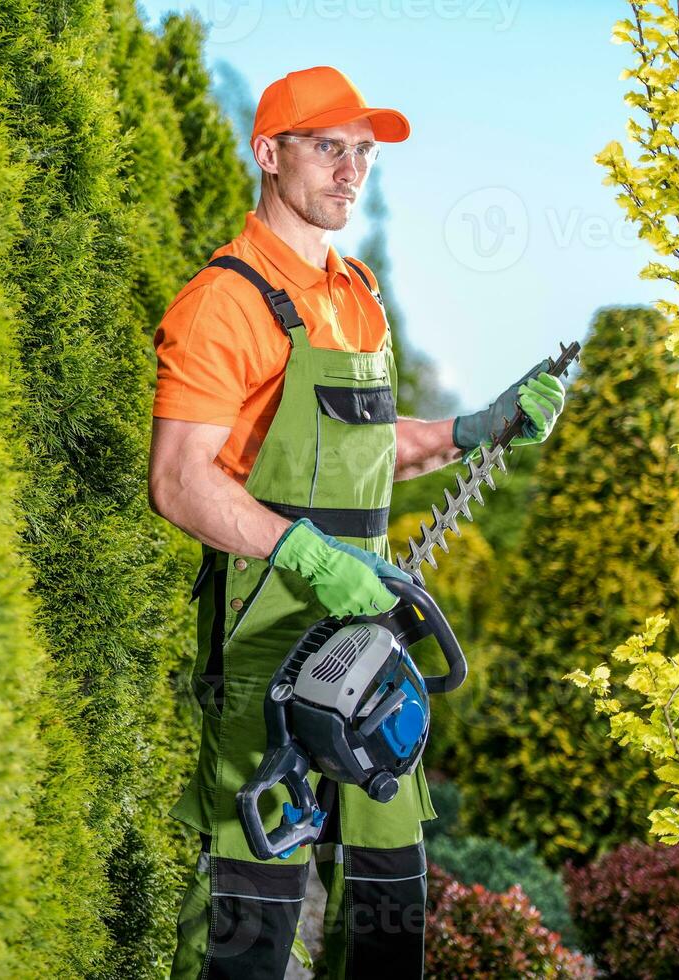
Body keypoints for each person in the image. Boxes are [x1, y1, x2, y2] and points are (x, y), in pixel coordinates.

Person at [147, 65, 565, 979]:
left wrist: (475, 429)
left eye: (364, 153)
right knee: (248, 913)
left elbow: (372, 447)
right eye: (329, 147)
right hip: (267, 641)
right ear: (268, 153)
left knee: (387, 903)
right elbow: (179, 483)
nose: (351, 170)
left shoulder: (355, 290)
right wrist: (308, 555)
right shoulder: (225, 301)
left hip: (371, 646)